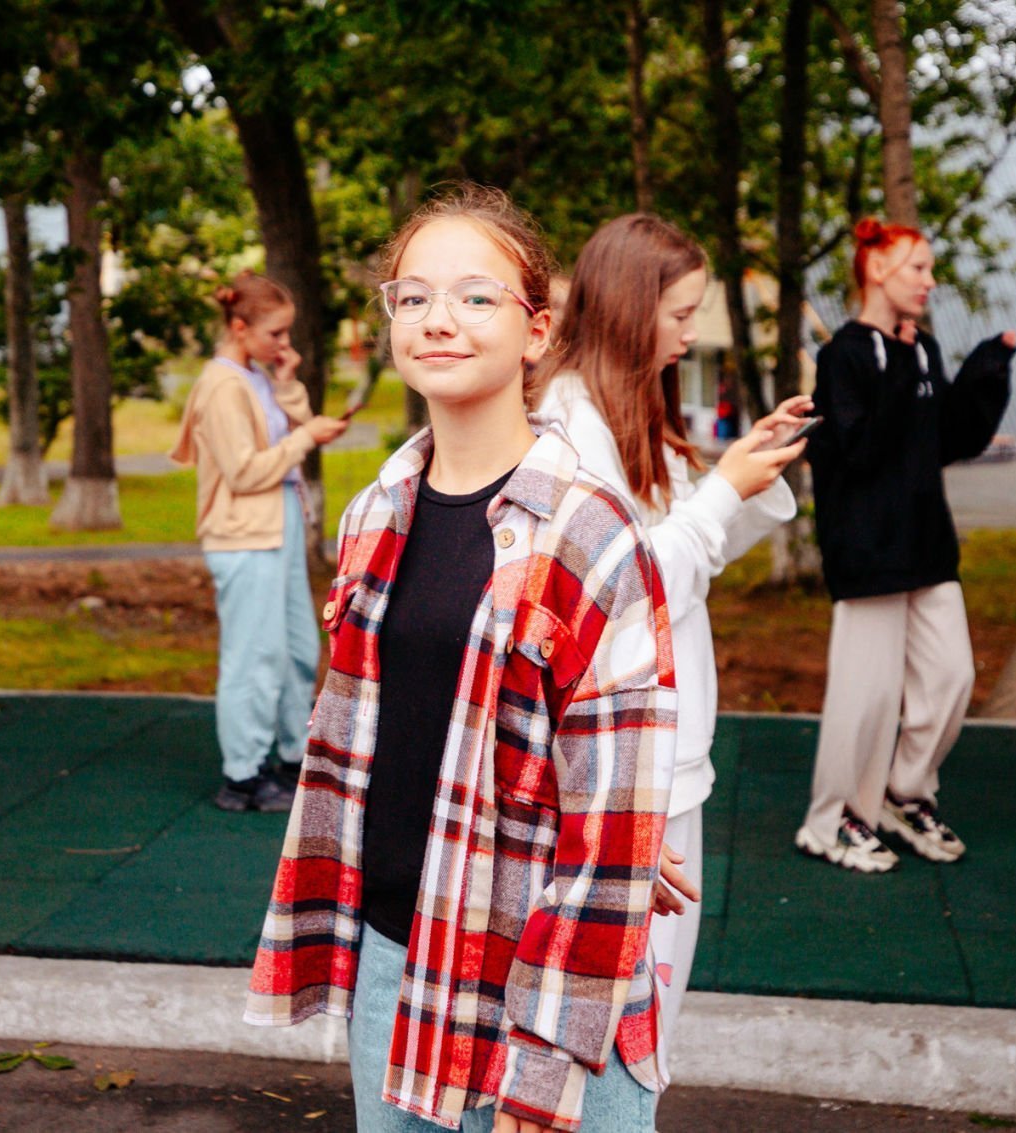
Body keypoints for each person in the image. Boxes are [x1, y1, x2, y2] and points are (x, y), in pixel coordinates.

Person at [245, 186, 676, 1133]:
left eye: (476, 296)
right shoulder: (374, 515)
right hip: (398, 962)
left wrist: (546, 1059)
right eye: (413, 297)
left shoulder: (591, 533)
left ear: (536, 331)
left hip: (537, 978)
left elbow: (610, 830)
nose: (438, 319)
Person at [535, 212, 809, 1061]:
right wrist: (723, 488)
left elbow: (694, 551)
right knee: (628, 1012)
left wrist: (743, 473)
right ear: (629, 307)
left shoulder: (628, 402)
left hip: (666, 744)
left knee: (654, 1001)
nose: (691, 334)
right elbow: (630, 587)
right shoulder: (570, 423)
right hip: (626, 755)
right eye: (681, 314)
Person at [797, 217, 1016, 873]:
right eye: (918, 267)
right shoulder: (844, 356)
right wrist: (897, 367)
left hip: (927, 547)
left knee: (952, 677)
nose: (930, 280)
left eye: (929, 268)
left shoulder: (922, 349)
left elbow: (945, 439)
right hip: (867, 553)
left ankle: (904, 791)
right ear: (876, 269)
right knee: (865, 696)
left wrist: (987, 373)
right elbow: (859, 451)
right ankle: (833, 819)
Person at [169, 271, 349, 812]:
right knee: (254, 656)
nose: (284, 343)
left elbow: (296, 424)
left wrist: (287, 382)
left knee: (296, 648)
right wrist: (305, 437)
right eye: (276, 334)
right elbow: (244, 472)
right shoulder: (222, 386)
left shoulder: (255, 376)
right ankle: (243, 776)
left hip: (278, 524)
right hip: (243, 535)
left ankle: (294, 756)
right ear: (240, 327)